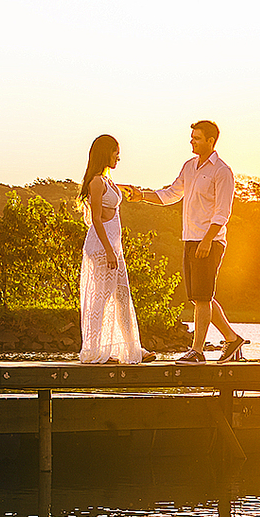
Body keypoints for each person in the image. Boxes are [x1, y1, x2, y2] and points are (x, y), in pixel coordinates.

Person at [126, 120, 245, 363]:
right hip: (190, 238)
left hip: (209, 241)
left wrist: (207, 241)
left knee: (202, 297)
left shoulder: (222, 171)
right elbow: (170, 194)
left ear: (211, 141)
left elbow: (223, 212)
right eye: (192, 137)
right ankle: (232, 339)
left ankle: (197, 351)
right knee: (200, 297)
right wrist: (142, 196)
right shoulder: (189, 167)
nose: (192, 141)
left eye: (197, 138)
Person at [78, 134, 154, 364]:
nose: (119, 157)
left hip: (112, 246)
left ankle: (133, 349)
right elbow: (97, 219)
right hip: (102, 247)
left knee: (121, 297)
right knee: (100, 299)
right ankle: (93, 350)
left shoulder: (106, 180)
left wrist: (127, 189)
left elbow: (112, 196)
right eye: (115, 152)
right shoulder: (96, 182)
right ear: (105, 152)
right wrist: (110, 251)